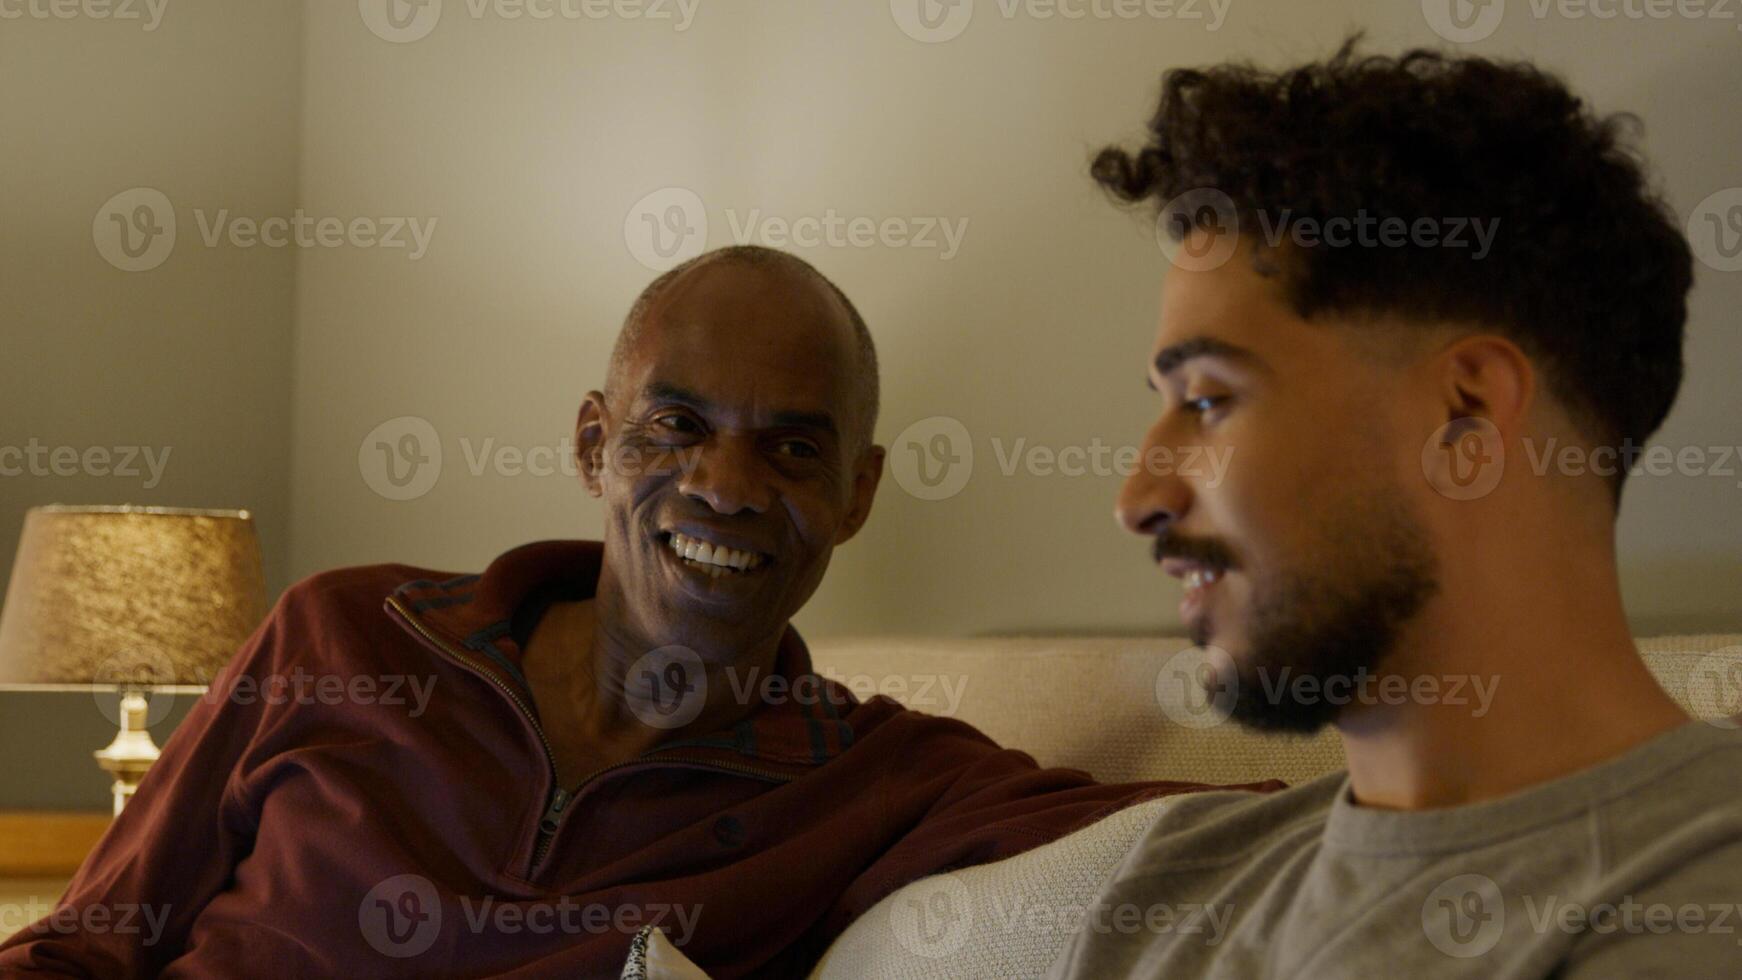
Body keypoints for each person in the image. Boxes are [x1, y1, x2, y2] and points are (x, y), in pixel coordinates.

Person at [0, 246, 1277, 979]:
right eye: (677, 426)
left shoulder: (881, 780)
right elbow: (83, 947)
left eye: (791, 448)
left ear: (856, 494)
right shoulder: (346, 633)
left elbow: (1250, 835)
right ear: (593, 442)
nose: (725, 484)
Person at [1047, 37, 1742, 978]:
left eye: (1208, 400)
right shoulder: (1184, 879)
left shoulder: (1696, 901)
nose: (1137, 500)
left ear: (1464, 415)